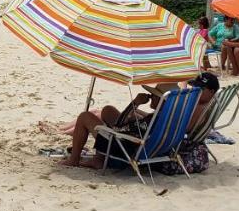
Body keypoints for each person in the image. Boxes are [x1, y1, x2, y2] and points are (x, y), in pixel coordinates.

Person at [60, 72, 220, 168]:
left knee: (85, 116)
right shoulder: (166, 117)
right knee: (108, 110)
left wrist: (135, 104)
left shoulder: (156, 119)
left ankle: (74, 159)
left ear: (161, 100)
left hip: (126, 147)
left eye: (154, 96)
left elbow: (120, 126)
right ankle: (97, 158)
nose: (151, 97)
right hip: (143, 145)